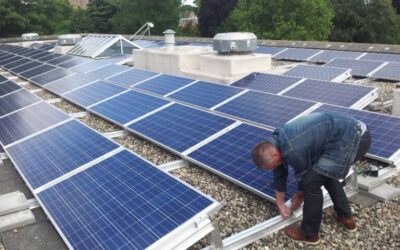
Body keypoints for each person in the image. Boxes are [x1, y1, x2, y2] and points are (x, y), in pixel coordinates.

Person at [252, 112, 371, 245]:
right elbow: (279, 171)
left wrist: (300, 195)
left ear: (274, 155)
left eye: (271, 165)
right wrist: (280, 204)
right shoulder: (276, 141)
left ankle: (310, 234)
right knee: (325, 174)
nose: (274, 167)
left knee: (310, 184)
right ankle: (346, 218)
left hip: (356, 139)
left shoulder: (292, 150)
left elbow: (306, 179)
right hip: (341, 136)